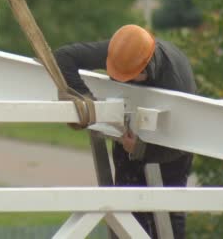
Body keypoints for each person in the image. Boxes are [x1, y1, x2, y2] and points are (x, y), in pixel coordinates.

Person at [54, 24, 196, 239]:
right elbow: (63, 57)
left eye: (127, 77)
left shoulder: (176, 81)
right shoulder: (122, 52)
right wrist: (84, 98)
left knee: (167, 216)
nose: (121, 81)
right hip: (128, 136)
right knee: (125, 211)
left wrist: (141, 148)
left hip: (170, 149)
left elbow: (182, 144)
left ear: (145, 67)